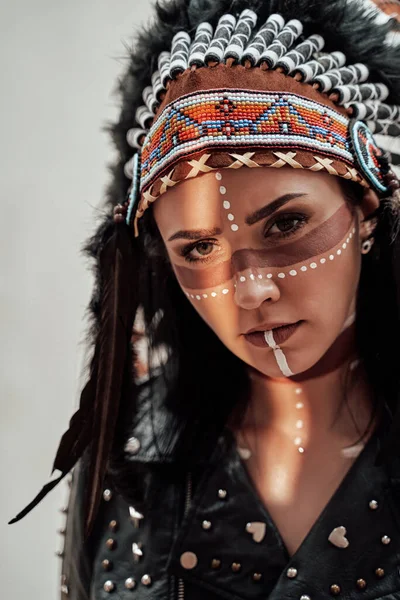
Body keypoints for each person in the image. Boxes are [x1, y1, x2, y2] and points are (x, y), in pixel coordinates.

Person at [9, 0, 400, 598]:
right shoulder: (128, 451)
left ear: (366, 209)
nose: (251, 290)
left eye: (287, 224)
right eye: (196, 250)